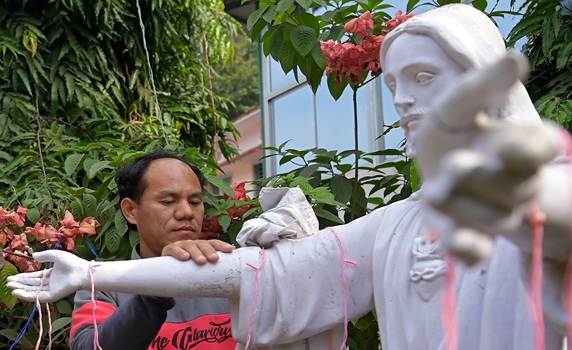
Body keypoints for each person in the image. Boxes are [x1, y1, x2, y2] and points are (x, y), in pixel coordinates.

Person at [8, 4, 572, 349]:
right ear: (129, 210)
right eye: (395, 83)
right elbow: (268, 274)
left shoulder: (547, 188)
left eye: (424, 77)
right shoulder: (398, 225)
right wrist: (93, 273)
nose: (402, 101)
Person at [69, 149, 237, 350]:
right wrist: (158, 287)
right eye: (168, 201)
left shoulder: (232, 273)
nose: (186, 212)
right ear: (131, 211)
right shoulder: (102, 283)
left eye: (195, 202)